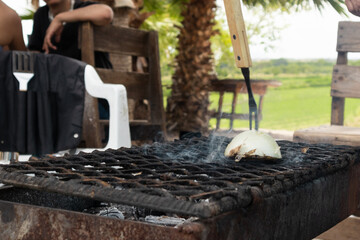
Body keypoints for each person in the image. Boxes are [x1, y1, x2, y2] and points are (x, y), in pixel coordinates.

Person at [28, 0, 113, 68]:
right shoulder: (40, 15)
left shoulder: (84, 7)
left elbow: (106, 13)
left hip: (95, 82)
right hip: (59, 83)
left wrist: (59, 18)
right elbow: (34, 51)